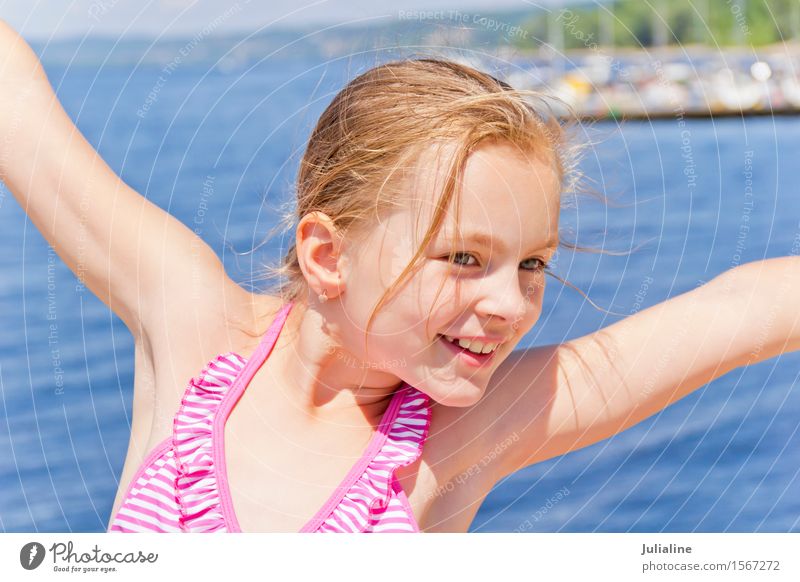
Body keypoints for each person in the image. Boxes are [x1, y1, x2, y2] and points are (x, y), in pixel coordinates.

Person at [1, 19, 798, 533]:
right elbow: (22, 116)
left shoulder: (461, 438)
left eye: (531, 264)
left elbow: (738, 311)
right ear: (327, 256)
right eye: (463, 259)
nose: (510, 302)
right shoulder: (194, 329)